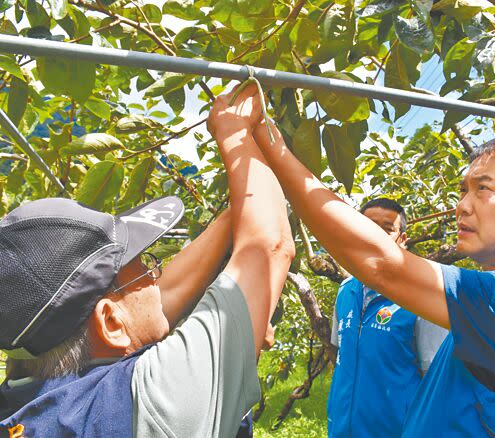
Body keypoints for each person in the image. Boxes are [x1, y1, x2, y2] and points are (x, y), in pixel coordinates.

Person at [246, 105, 495, 435]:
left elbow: (380, 265)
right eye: (464, 190)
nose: (461, 205)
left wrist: (265, 137)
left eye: (484, 188)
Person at [0, 85, 295, 437]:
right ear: (110, 320)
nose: (156, 275)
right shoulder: (155, 400)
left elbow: (147, 308)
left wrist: (239, 212)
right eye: (145, 265)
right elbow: (269, 246)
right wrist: (235, 133)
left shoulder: (25, 396)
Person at [327, 197, 448, 438]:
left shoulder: (420, 296)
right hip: (341, 429)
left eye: (387, 228)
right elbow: (339, 351)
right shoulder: (346, 290)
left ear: (402, 240)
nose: (376, 233)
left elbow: (436, 377)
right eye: (368, 224)